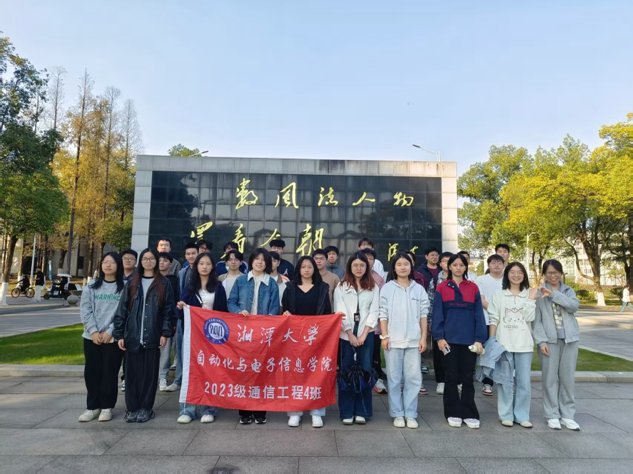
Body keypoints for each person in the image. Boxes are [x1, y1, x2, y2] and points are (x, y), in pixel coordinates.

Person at [113, 248, 176, 423]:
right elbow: (122, 310)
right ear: (141, 262)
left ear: (156, 261)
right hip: (132, 336)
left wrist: (165, 332)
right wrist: (120, 334)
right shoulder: (132, 282)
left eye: (151, 259)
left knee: (149, 375)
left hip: (153, 335)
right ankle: (132, 408)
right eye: (145, 259)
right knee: (132, 375)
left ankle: (146, 408)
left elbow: (168, 311)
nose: (148, 262)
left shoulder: (164, 283)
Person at [432, 253, 486, 429]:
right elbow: (437, 314)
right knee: (451, 377)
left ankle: (470, 413)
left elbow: (479, 315)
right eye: (454, 265)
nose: (458, 268)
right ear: (449, 267)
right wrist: (439, 337)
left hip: (469, 341)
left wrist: (479, 339)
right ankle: (453, 412)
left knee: (468, 377)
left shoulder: (473, 287)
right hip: (448, 341)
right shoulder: (441, 287)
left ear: (465, 267)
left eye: (461, 265)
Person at [228, 248, 280, 424]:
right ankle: (244, 411)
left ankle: (259, 411)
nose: (259, 262)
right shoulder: (241, 280)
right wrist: (238, 311)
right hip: (244, 333)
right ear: (251, 261)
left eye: (263, 260)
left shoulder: (271, 283)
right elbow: (231, 302)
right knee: (244, 371)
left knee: (261, 371)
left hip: (263, 334)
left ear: (267, 263)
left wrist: (267, 321)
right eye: (257, 259)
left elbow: (275, 307)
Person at [175, 252, 228, 424]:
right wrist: (181, 307)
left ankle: (208, 409)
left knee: (210, 372)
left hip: (212, 338)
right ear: (196, 266)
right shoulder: (190, 287)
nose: (204, 267)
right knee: (190, 371)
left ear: (212, 267)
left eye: (208, 263)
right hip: (192, 336)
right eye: (201, 263)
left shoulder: (218, 287)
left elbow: (224, 312)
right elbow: (179, 313)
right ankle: (187, 410)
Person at [282, 256, 333, 428]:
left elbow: (327, 312)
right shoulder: (290, 287)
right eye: (303, 267)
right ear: (298, 269)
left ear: (314, 269)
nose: (306, 270)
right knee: (295, 373)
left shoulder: (322, 288)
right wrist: (285, 314)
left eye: (309, 267)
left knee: (317, 373)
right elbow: (284, 309)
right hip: (294, 338)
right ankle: (295, 412)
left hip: (316, 337)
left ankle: (317, 411)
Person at [379, 252, 429, 429]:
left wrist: (423, 337)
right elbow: (383, 313)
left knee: (413, 378)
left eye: (406, 264)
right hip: (393, 340)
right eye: (399, 264)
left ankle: (410, 413)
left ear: (411, 266)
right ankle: (397, 413)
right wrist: (385, 336)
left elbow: (423, 315)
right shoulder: (387, 288)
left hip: (414, 340)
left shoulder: (418, 289)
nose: (402, 267)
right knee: (394, 378)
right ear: (394, 267)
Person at [487, 262, 538, 428]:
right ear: (507, 274)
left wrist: (530, 299)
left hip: (524, 345)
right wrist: (492, 340)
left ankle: (522, 415)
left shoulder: (529, 294)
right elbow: (494, 318)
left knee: (524, 383)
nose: (516, 275)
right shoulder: (499, 295)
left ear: (524, 275)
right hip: (504, 345)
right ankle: (506, 414)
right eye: (512, 272)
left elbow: (530, 317)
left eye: (520, 272)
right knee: (505, 382)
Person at [533, 259, 582, 431]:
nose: (553, 276)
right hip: (549, 342)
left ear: (561, 273)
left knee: (567, 379)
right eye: (549, 273)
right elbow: (536, 321)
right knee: (549, 379)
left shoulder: (568, 290)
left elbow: (573, 306)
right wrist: (541, 341)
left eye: (556, 272)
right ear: (544, 274)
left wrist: (553, 294)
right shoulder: (539, 293)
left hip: (569, 340)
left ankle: (567, 415)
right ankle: (552, 415)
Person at [334, 251, 380, 425]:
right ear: (350, 267)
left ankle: (362, 411)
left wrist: (364, 334)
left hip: (366, 334)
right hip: (346, 335)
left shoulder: (373, 286)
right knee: (347, 371)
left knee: (365, 370)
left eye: (362, 265)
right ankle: (347, 411)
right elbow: (339, 310)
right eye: (355, 265)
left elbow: (375, 311)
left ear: (367, 267)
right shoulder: (342, 286)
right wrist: (350, 334)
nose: (359, 268)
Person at [78, 252, 125, 422]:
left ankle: (106, 407)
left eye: (112, 262)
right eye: (105, 262)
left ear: (118, 266)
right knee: (92, 372)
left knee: (109, 372)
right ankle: (92, 407)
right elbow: (85, 310)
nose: (108, 265)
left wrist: (110, 331)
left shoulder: (124, 287)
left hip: (112, 337)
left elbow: (123, 312)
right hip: (92, 337)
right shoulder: (91, 286)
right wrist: (93, 331)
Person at [168, 243, 199, 393]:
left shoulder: (203, 271)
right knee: (180, 349)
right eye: (188, 254)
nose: (191, 256)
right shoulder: (183, 272)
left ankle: (195, 380)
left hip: (199, 318)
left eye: (193, 253)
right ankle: (179, 380)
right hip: (183, 316)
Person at [475, 254, 505, 396]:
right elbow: (481, 299)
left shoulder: (507, 279)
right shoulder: (481, 280)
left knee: (503, 352)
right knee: (487, 351)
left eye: (499, 262)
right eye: (493, 262)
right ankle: (487, 382)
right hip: (486, 320)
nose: (496, 265)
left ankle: (505, 381)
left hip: (505, 322)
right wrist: (495, 311)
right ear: (488, 265)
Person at [360, 248, 388, 393]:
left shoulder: (378, 279)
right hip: (357, 324)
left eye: (371, 258)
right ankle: (359, 378)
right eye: (365, 258)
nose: (368, 261)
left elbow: (382, 301)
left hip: (374, 325)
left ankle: (376, 380)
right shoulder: (352, 276)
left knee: (374, 352)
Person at [427, 251, 452, 394]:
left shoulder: (461, 280)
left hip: (455, 322)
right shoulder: (435, 280)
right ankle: (441, 381)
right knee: (438, 351)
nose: (447, 264)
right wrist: (430, 320)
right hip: (439, 321)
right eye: (444, 261)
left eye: (450, 261)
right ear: (440, 263)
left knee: (455, 350)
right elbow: (430, 302)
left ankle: (455, 380)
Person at [157, 253, 180, 392]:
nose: (161, 263)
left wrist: (174, 319)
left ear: (170, 264)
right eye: (159, 260)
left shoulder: (175, 280)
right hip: (151, 320)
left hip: (168, 320)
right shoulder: (150, 278)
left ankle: (162, 377)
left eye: (165, 261)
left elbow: (176, 300)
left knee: (165, 349)